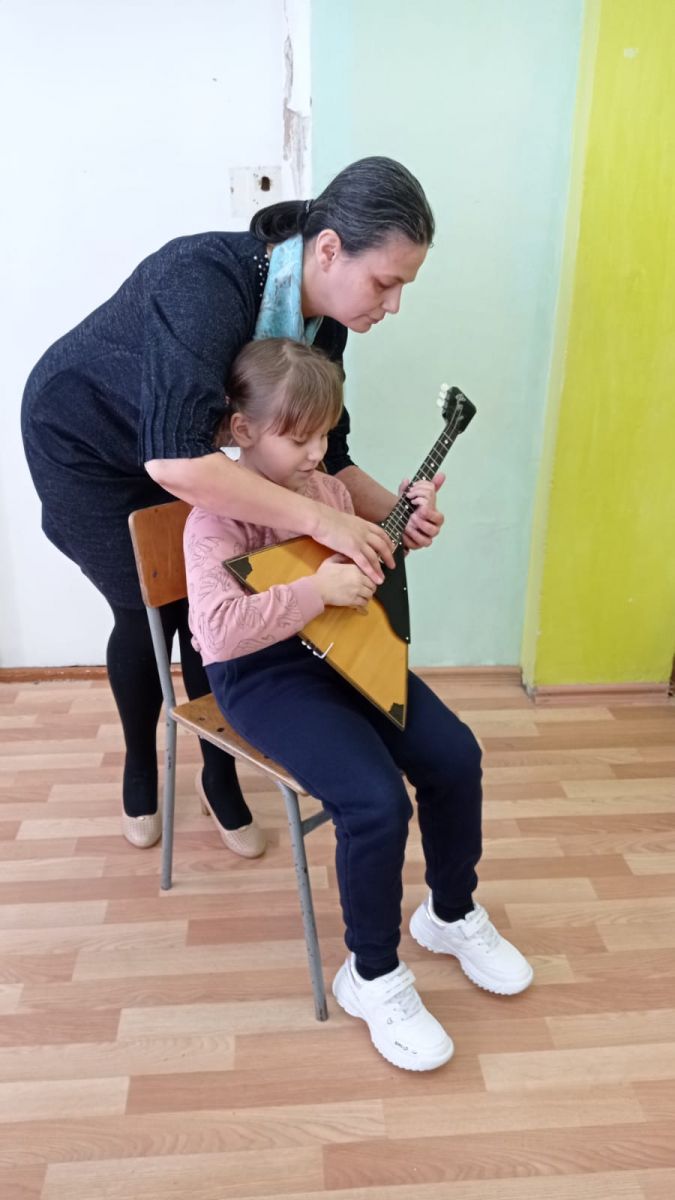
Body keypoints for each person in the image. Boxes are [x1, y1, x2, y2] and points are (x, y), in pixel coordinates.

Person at [21, 156, 444, 852]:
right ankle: (141, 764)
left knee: (214, 603)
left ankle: (217, 775)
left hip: (178, 449)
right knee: (148, 611)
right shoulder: (203, 281)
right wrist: (326, 520)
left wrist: (390, 511)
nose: (392, 304)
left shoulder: (326, 324)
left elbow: (328, 453)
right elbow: (176, 462)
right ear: (329, 249)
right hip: (84, 444)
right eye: (385, 282)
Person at [185, 337, 533, 1072]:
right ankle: (370, 973)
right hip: (261, 674)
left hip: (348, 648)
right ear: (243, 430)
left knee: (455, 756)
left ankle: (449, 913)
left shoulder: (329, 494)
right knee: (375, 803)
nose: (318, 454)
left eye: (325, 434)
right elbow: (215, 632)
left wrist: (402, 527)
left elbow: (369, 570)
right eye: (299, 438)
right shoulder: (214, 518)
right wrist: (314, 591)